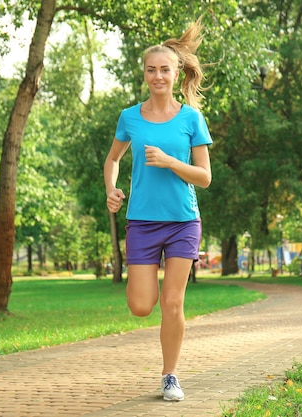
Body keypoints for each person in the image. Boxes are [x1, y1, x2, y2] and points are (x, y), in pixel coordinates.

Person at [103, 18, 212, 402]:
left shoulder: (190, 119)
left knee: (173, 302)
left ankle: (170, 376)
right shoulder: (129, 117)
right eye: (151, 70)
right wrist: (111, 189)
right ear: (145, 74)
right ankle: (166, 366)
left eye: (164, 69)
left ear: (176, 72)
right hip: (143, 222)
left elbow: (204, 177)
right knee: (140, 306)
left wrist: (170, 162)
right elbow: (113, 159)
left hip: (183, 221)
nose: (158, 76)